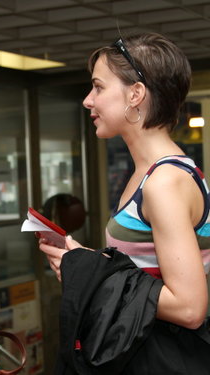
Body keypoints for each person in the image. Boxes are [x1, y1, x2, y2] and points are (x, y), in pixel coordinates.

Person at [39, 33, 210, 373]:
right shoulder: (147, 175)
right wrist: (84, 260)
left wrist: (90, 275)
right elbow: (142, 270)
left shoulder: (164, 182)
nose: (88, 100)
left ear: (136, 94)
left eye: (99, 87)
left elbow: (190, 308)